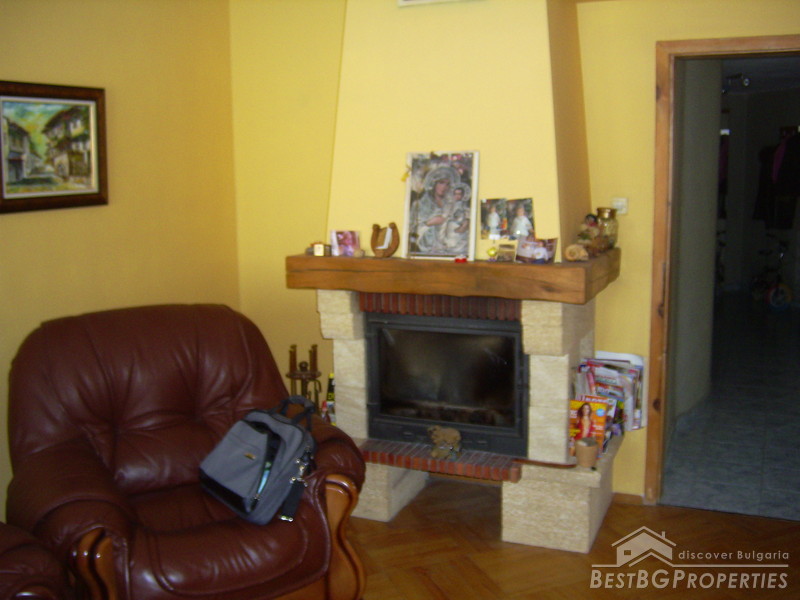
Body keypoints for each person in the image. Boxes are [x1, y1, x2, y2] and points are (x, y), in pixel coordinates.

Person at [410, 165, 459, 254]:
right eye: (441, 183)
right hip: (425, 248)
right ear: (434, 183)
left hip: (449, 247)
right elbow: (411, 229)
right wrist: (429, 223)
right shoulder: (419, 204)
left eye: (447, 184)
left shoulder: (451, 204)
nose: (444, 187)